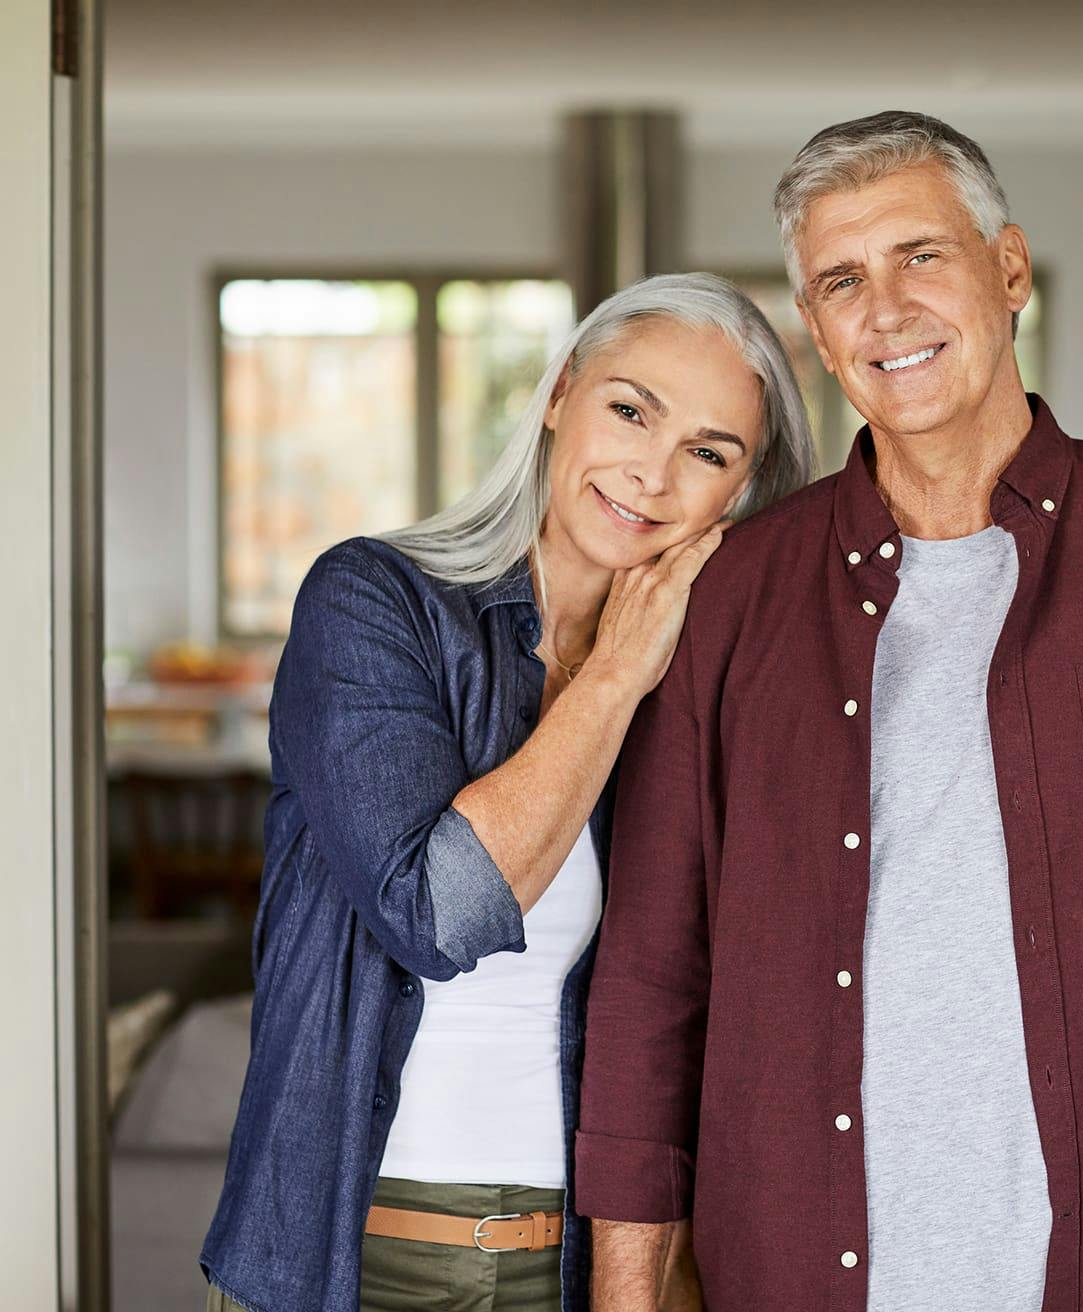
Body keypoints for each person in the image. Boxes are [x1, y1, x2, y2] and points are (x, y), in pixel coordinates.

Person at [576, 112, 1083, 1312]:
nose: (884, 308)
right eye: (841, 280)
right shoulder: (733, 592)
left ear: (1009, 271)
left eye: (920, 257)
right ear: (818, 336)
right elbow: (650, 975)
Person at [199, 273, 814, 1312]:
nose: (652, 474)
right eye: (632, 409)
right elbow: (437, 911)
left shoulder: (703, 700)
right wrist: (616, 672)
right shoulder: (372, 603)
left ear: (740, 500)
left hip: (577, 1270)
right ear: (561, 393)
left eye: (710, 452)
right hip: (343, 1263)